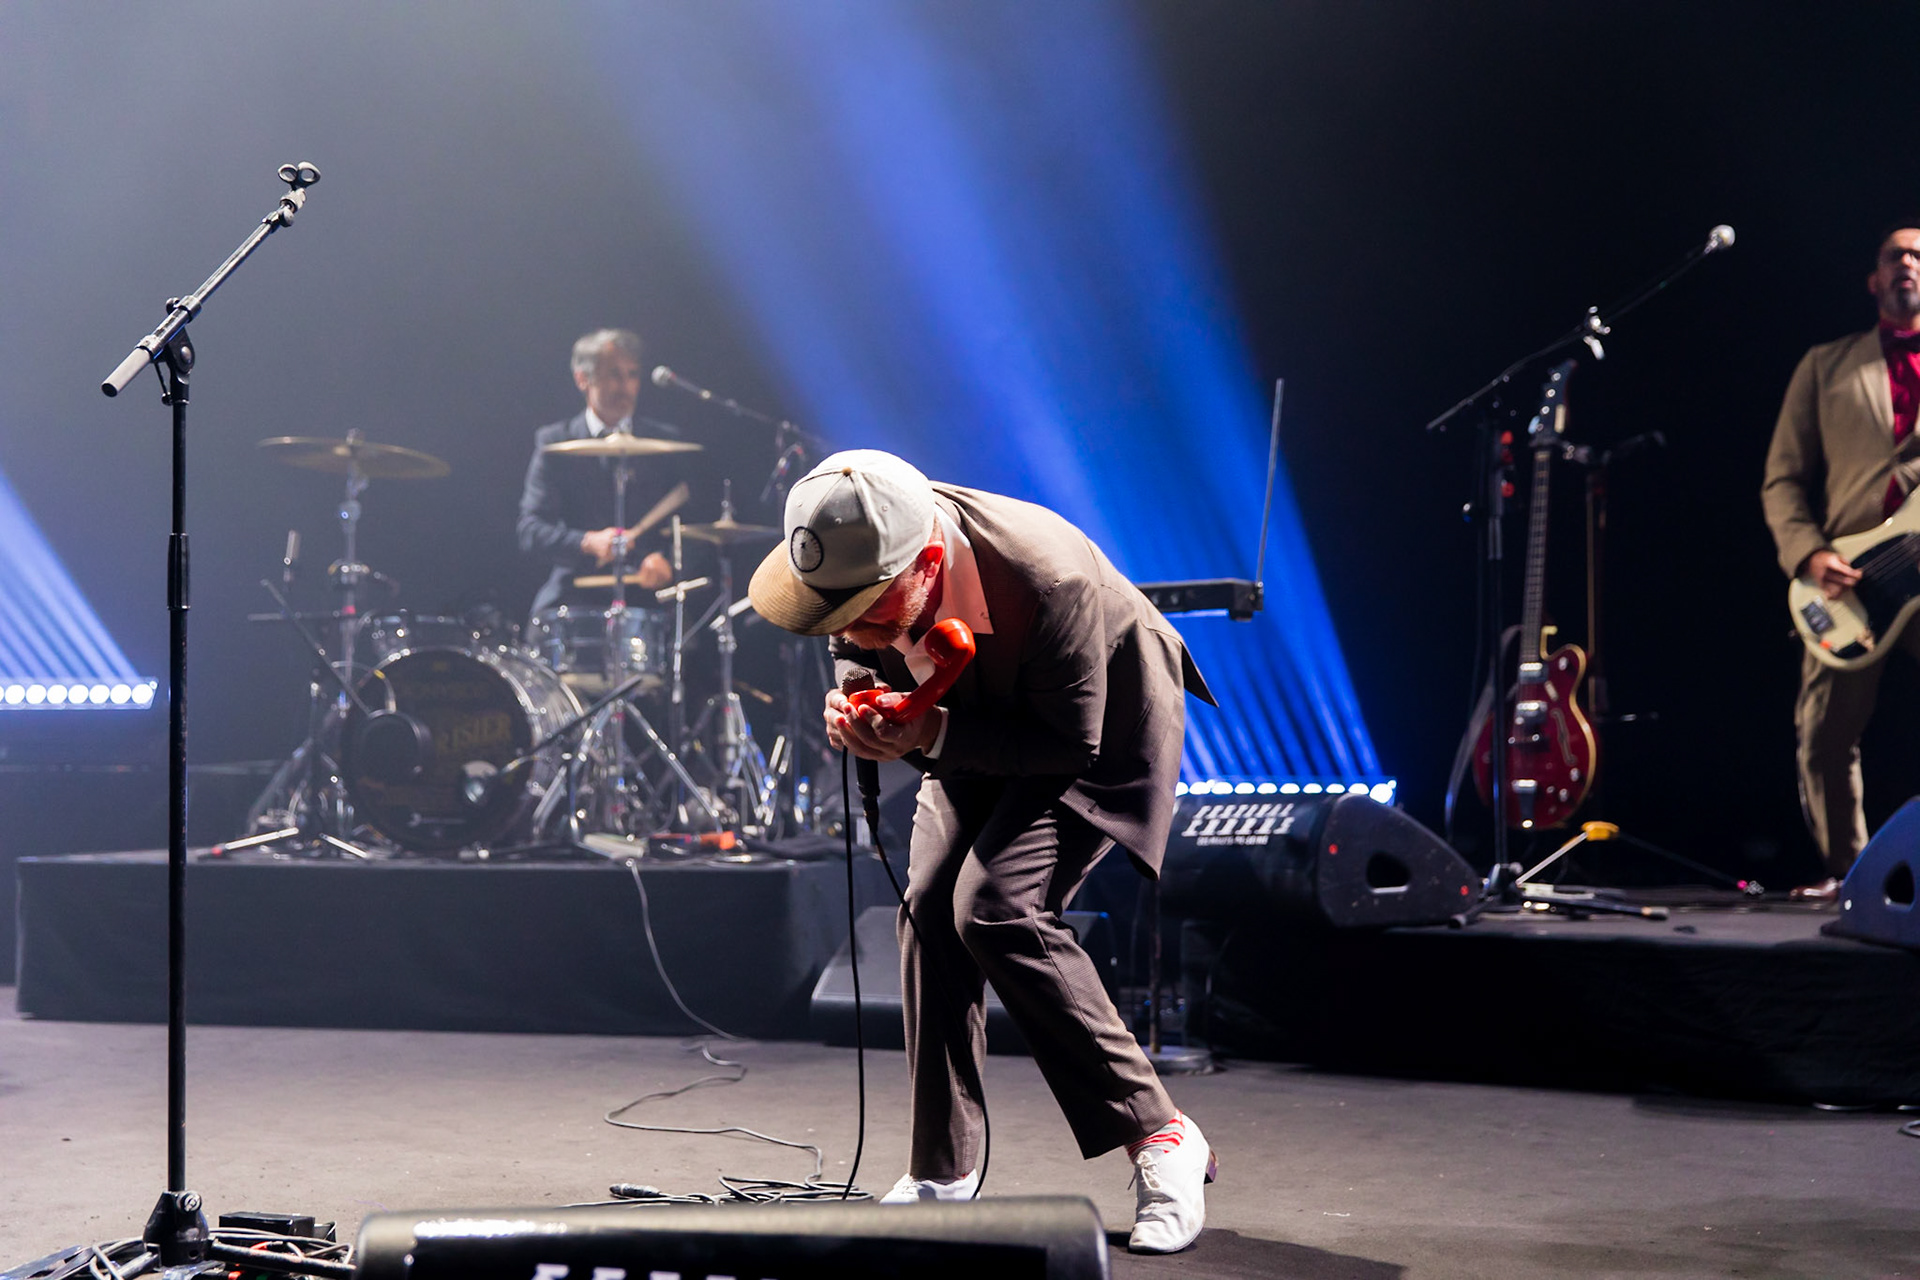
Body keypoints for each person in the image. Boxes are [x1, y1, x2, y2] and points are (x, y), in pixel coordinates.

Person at [746, 449, 1219, 1254]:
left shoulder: (1049, 577)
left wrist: (927, 730)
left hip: (1091, 732)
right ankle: (942, 1170)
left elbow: (1064, 743)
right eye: (836, 613)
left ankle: (1162, 1134)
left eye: (868, 610)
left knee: (997, 909)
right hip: (971, 717)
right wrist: (857, 701)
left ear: (929, 561)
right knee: (929, 908)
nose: (850, 631)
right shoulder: (870, 551)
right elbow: (856, 646)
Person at [1763, 223, 1920, 902]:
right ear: (1874, 280)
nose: (1907, 264)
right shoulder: (1825, 365)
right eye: (1894, 256)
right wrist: (1809, 553)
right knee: (1823, 735)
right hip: (1850, 578)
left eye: (1919, 256)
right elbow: (1782, 479)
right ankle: (1849, 876)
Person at [518, 328, 684, 618]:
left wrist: (667, 561)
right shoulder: (555, 442)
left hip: (646, 601)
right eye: (614, 375)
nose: (626, 385)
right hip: (575, 596)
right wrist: (586, 542)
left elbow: (698, 526)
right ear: (583, 379)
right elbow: (531, 531)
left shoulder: (665, 444)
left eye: (632, 375)